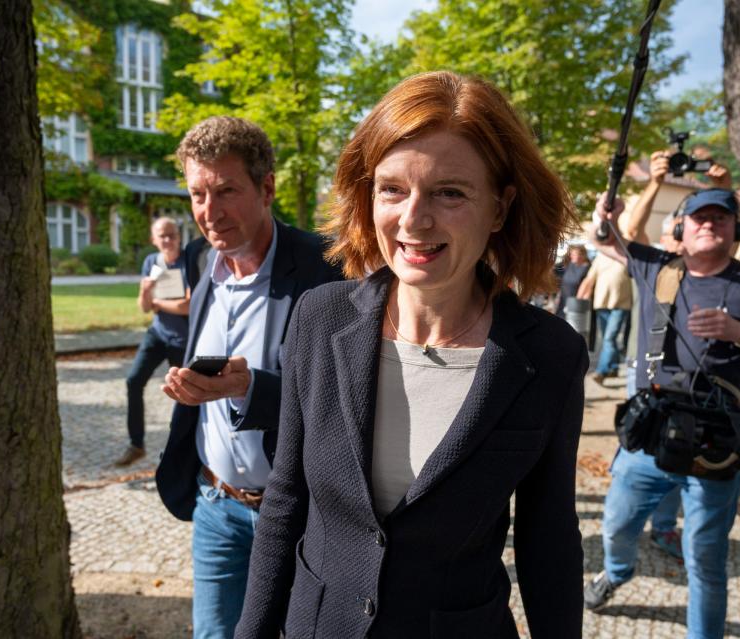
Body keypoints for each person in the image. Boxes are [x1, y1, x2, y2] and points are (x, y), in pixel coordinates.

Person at [234, 71, 587, 639]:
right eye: (392, 189)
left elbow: (549, 543)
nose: (414, 220)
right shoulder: (319, 318)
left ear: (500, 208)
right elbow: (286, 500)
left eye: (450, 192)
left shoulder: (550, 355)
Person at [585, 187, 740, 638]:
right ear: (681, 230)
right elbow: (604, 238)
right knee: (617, 527)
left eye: (720, 218)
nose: (709, 223)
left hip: (716, 444)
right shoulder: (657, 266)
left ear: (736, 230)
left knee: (705, 558)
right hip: (649, 433)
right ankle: (617, 571)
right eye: (699, 217)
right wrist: (604, 214)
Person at [155, 116, 342, 639]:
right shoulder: (199, 260)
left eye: (225, 192)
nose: (209, 214)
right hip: (214, 503)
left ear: (267, 188)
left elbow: (344, 402)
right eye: (197, 195)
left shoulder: (326, 268)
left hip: (295, 513)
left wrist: (249, 387)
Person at [623, 152, 736, 559]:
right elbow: (630, 230)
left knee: (676, 462)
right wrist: (654, 182)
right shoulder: (655, 266)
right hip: (650, 387)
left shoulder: (723, 271)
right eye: (685, 225)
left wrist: (723, 191)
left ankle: (665, 527)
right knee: (634, 485)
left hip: (702, 404)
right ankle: (622, 555)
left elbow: (729, 228)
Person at [116, 217, 190, 467]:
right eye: (162, 236)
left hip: (183, 339)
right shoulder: (151, 262)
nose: (167, 240)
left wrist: (157, 303)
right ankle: (136, 444)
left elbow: (186, 306)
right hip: (158, 334)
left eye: (172, 235)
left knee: (184, 396)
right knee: (133, 381)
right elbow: (145, 307)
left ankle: (184, 453)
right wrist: (145, 292)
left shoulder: (188, 262)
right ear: (154, 240)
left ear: (179, 237)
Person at [576, 252, 632, 385]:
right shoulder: (600, 257)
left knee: (609, 338)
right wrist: (578, 300)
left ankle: (601, 371)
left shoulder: (626, 255)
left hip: (621, 304)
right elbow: (589, 279)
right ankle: (614, 367)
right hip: (602, 303)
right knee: (609, 339)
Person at [556, 244, 591, 317]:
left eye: (575, 254)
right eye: (571, 254)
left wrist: (579, 304)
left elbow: (588, 288)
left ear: (583, 255)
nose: (572, 256)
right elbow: (564, 283)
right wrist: (558, 297)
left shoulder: (588, 268)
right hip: (564, 300)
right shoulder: (570, 265)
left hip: (577, 302)